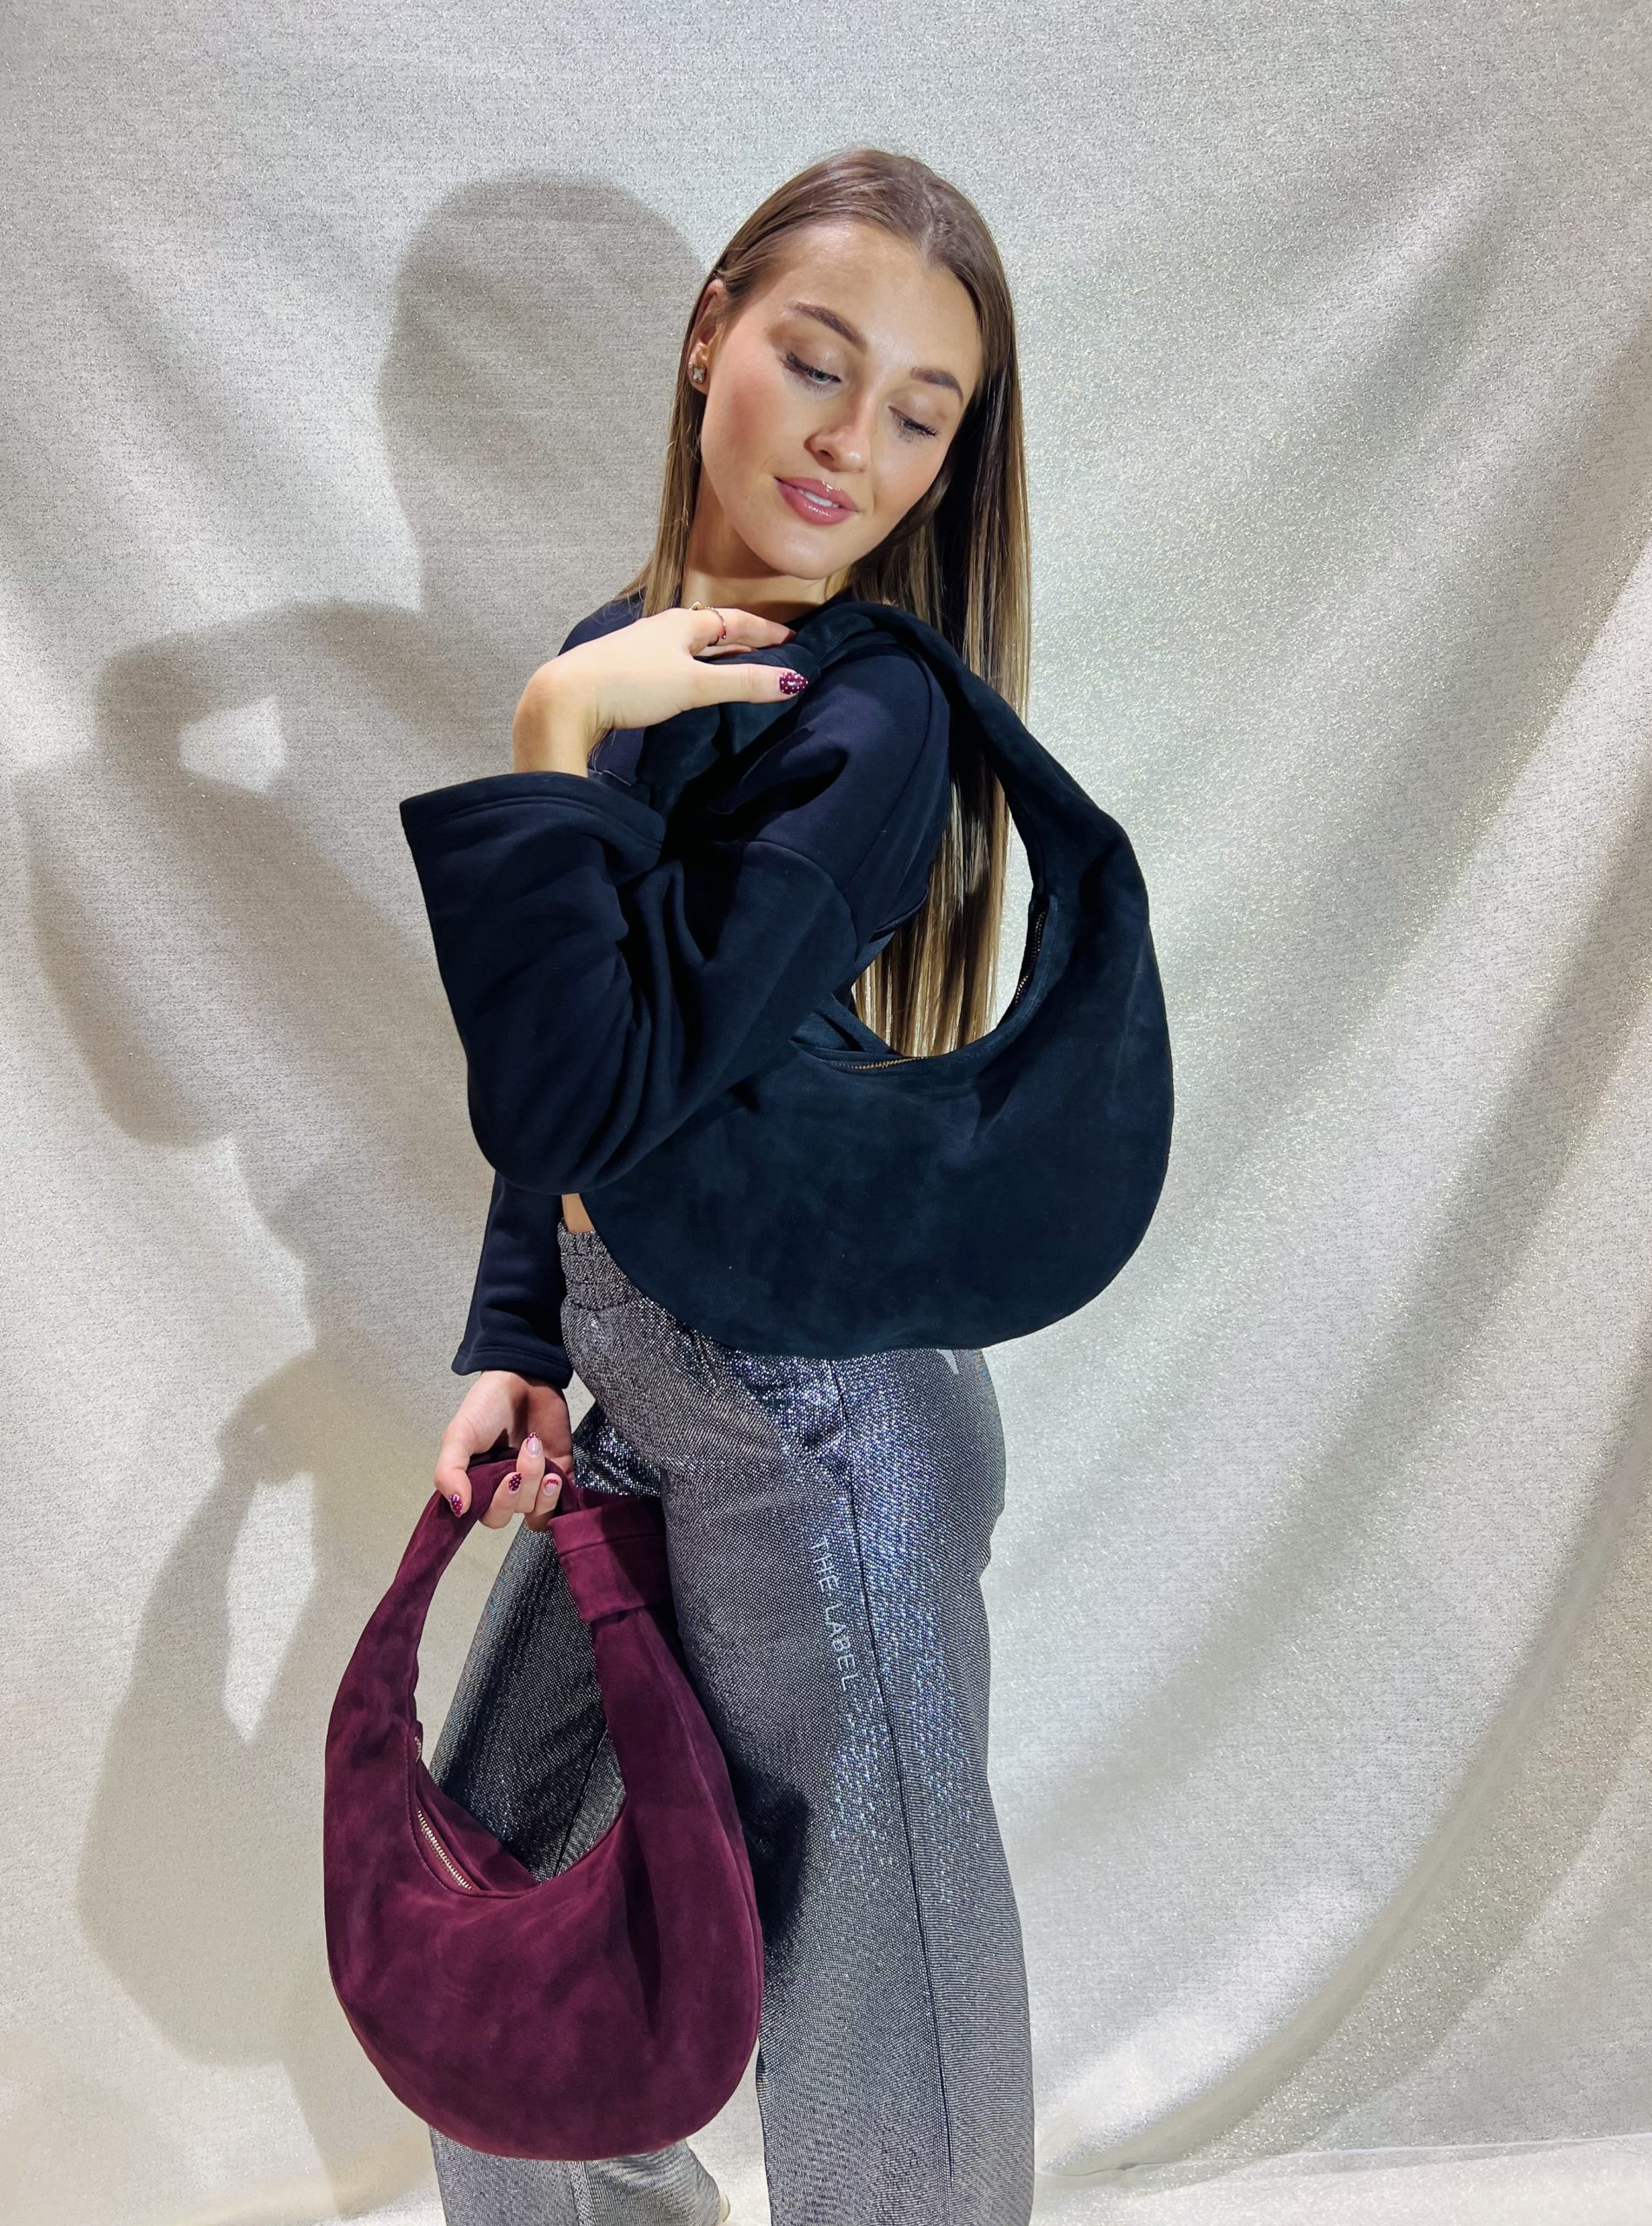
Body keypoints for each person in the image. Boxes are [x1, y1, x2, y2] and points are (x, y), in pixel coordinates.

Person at [405, 145, 1038, 2226]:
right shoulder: (625, 656)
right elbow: (557, 1081)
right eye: (818, 362)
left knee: (879, 2058)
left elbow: (617, 1074)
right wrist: (518, 1333)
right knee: (496, 1942)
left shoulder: (870, 719)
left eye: (921, 414)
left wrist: (547, 740)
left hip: (824, 1426)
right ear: (710, 340)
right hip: (646, 1409)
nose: (856, 443)